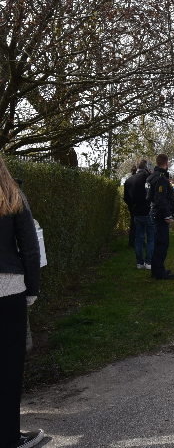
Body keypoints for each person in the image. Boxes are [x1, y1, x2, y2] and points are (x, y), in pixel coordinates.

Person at [0, 157, 45, 448]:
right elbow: (30, 246)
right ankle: (7, 438)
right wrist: (32, 290)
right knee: (8, 367)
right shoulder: (12, 194)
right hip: (8, 289)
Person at [146, 154, 174, 280]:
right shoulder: (160, 179)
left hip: (154, 214)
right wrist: (166, 215)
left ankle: (157, 270)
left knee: (158, 243)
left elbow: (150, 198)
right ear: (166, 162)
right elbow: (160, 199)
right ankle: (159, 273)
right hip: (159, 216)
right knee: (162, 244)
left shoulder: (151, 177)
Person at [124, 159, 155, 270]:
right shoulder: (150, 179)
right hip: (149, 212)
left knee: (139, 239)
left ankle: (139, 263)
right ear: (146, 167)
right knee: (151, 238)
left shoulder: (128, 181)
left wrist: (132, 209)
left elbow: (126, 198)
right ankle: (148, 262)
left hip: (137, 213)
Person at [124, 164, 137, 247]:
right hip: (139, 206)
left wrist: (130, 204)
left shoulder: (128, 181)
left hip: (131, 206)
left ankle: (131, 242)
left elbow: (125, 197)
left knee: (132, 223)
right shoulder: (141, 180)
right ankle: (139, 242)